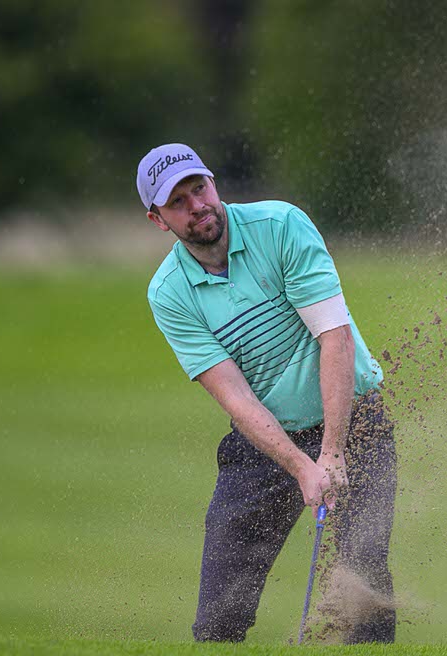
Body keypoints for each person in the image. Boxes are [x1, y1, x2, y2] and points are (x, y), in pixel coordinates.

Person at [137, 143, 397, 643]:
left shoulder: (280, 225)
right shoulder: (169, 292)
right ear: (158, 219)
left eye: (200, 188)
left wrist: (332, 451)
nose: (198, 206)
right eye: (179, 203)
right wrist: (303, 467)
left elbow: (334, 337)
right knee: (218, 619)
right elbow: (236, 399)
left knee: (362, 585)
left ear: (214, 182)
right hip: (267, 443)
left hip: (354, 421)